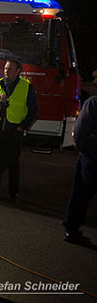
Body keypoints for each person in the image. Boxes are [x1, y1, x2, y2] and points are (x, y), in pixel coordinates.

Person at [0, 59, 38, 203]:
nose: (6, 71)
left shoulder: (26, 87)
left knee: (13, 164)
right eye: (6, 68)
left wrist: (22, 127)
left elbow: (34, 111)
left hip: (14, 131)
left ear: (18, 71)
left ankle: (14, 193)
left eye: (10, 69)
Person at [63, 95, 97, 243]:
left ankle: (72, 230)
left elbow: (79, 129)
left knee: (81, 194)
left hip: (92, 157)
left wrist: (82, 149)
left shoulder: (93, 102)